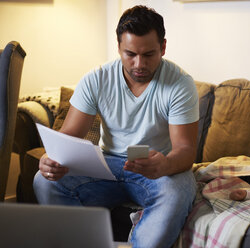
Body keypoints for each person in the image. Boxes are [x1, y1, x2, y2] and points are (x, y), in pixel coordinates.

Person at [33, 5, 199, 248]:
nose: (139, 64)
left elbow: (185, 150)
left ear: (163, 47)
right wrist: (52, 157)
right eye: (130, 53)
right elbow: (70, 135)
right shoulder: (97, 78)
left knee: (176, 194)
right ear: (118, 47)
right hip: (106, 166)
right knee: (43, 180)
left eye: (149, 54)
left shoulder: (180, 84)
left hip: (158, 169)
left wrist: (166, 164)